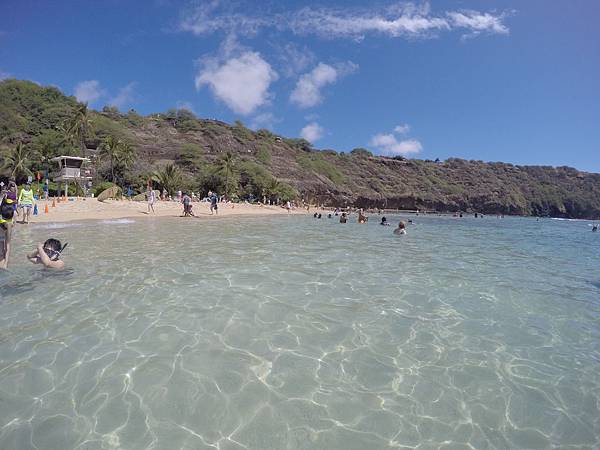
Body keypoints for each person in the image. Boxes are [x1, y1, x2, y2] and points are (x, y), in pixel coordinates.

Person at [0, 197, 15, 269]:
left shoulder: (9, 223)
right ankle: (4, 265)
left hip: (2, 236)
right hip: (2, 234)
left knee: (2, 253)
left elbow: (8, 245)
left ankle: (3, 265)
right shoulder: (10, 223)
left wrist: (6, 264)